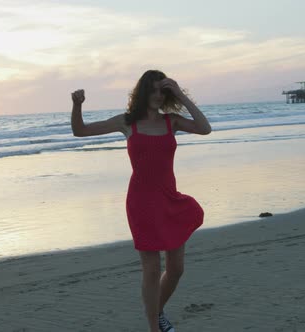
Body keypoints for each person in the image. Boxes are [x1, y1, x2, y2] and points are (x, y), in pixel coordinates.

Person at [70, 69, 211, 332]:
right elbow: (80, 131)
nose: (158, 95)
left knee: (177, 268)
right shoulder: (127, 122)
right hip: (142, 201)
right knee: (151, 268)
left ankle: (155, 312)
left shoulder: (172, 121)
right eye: (153, 90)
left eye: (162, 90)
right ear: (142, 92)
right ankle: (153, 328)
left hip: (169, 198)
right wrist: (77, 106)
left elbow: (205, 128)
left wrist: (180, 93)